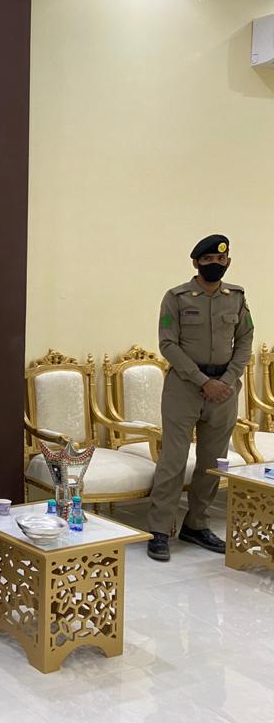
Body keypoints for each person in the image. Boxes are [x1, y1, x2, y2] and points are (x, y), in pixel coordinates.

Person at [147, 234, 252, 562]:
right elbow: (168, 344)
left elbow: (245, 339)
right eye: (207, 260)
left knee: (212, 461)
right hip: (184, 387)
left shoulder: (236, 297)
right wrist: (203, 381)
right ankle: (159, 530)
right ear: (196, 263)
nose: (214, 265)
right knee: (173, 460)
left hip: (224, 389)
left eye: (220, 260)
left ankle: (196, 524)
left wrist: (227, 380)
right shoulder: (176, 298)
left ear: (228, 262)